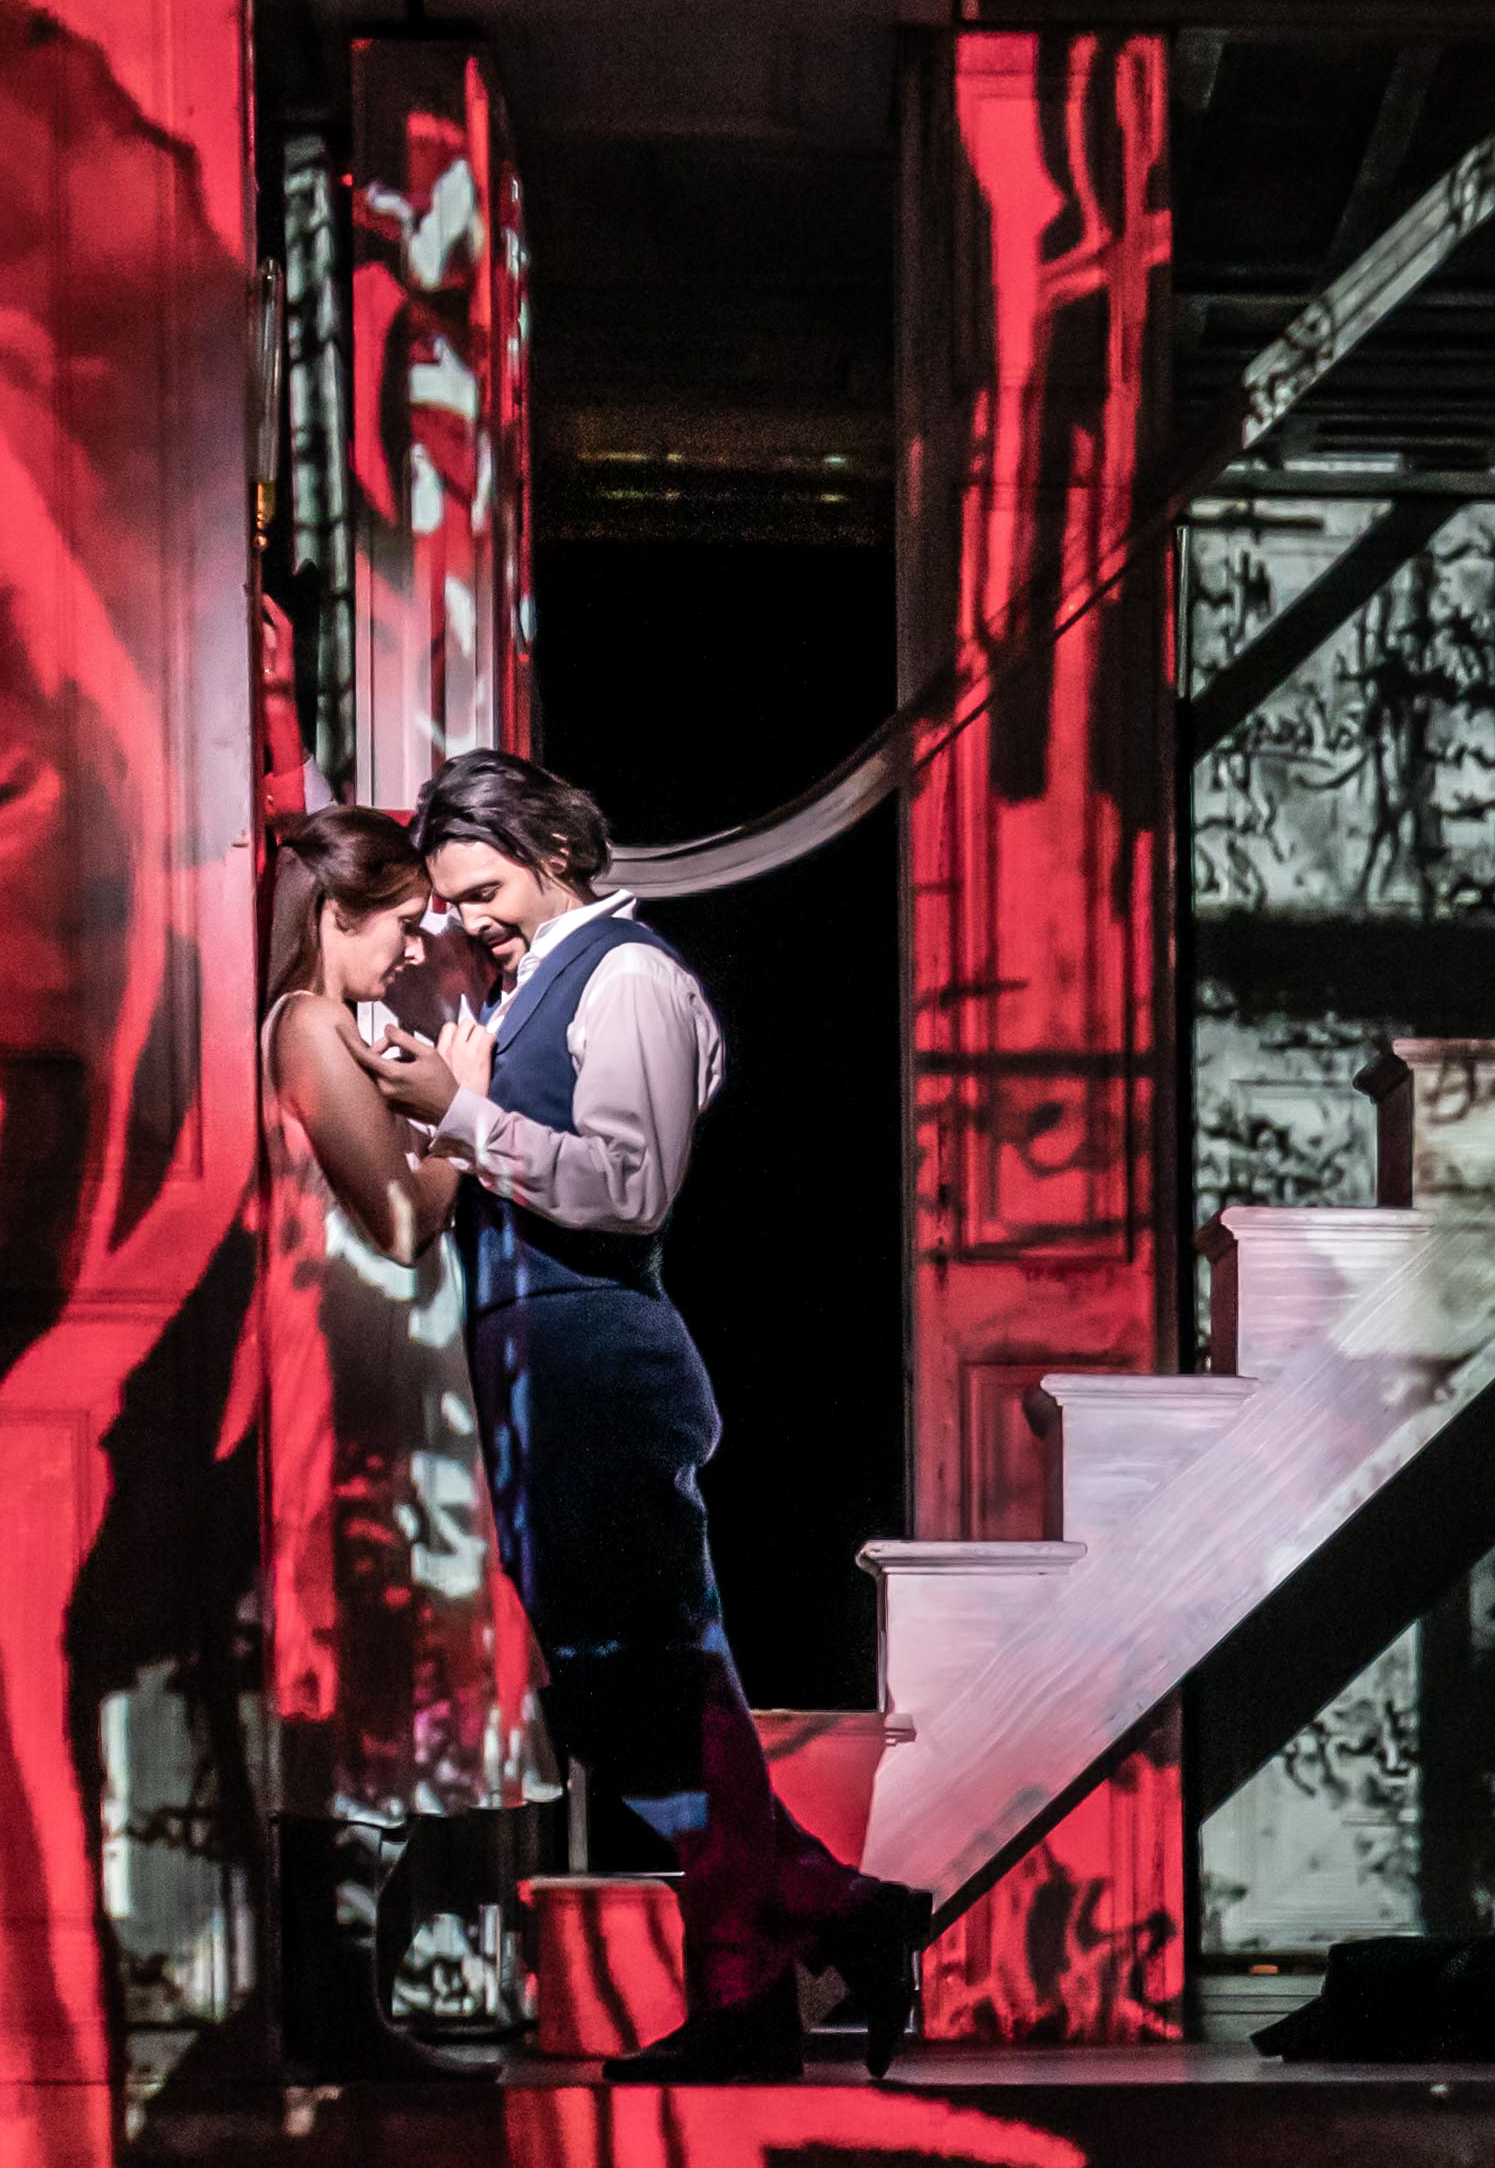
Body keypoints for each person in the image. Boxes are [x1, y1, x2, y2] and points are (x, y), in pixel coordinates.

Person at [366, 750, 931, 2081]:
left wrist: (461, 1115)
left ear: (555, 850)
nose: (474, 921)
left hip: (598, 1366)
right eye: (454, 902)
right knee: (636, 1703)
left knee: (657, 1695)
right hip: (536, 1373)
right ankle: (792, 1955)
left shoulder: (629, 980)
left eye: (486, 889)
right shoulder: (526, 994)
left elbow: (626, 1190)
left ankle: (808, 1942)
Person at [252, 807, 544, 2080]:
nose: (416, 937)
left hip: (385, 1369)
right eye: (399, 917)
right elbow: (400, 1221)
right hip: (360, 1375)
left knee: (384, 1678)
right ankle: (333, 2010)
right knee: (362, 1672)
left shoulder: (341, 1028)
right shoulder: (308, 1025)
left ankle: (344, 2005)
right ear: (334, 918)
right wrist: (465, 1110)